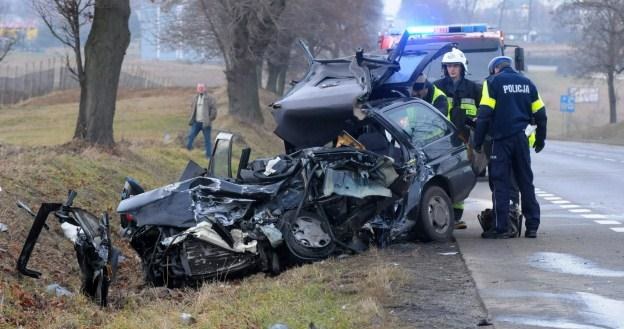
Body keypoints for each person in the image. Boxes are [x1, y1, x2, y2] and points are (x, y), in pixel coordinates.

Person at [472, 56, 547, 239]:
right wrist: (540, 139)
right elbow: (541, 114)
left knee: (500, 183)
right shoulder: (527, 83)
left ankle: (502, 228)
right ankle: (532, 227)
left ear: (495, 69)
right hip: (522, 139)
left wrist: (478, 141)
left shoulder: (492, 83)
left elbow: (484, 115)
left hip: (501, 140)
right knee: (525, 182)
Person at [434, 48, 482, 229]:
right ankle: (446, 214)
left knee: (462, 174)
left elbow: (483, 112)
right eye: (448, 66)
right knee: (444, 173)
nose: (451, 69)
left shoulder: (474, 89)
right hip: (442, 139)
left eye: (455, 66)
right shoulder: (437, 87)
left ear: (462, 68)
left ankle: (456, 214)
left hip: (465, 139)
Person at [186, 83, 217, 158]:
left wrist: (209, 119)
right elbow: (192, 108)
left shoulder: (210, 98)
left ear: (205, 89)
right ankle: (187, 152)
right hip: (196, 122)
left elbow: (214, 110)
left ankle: (208, 157)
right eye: (199, 88)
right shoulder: (195, 98)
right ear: (197, 89)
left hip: (206, 123)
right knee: (190, 136)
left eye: (202, 88)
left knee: (207, 141)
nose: (200, 89)